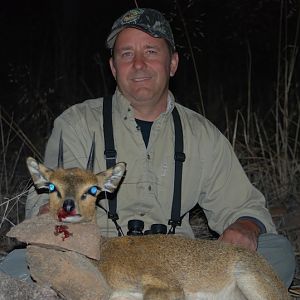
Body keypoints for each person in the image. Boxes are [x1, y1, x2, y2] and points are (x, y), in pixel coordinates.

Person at [1, 7, 295, 288]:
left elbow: (245, 208)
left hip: (178, 264)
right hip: (97, 261)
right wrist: (50, 215)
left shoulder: (202, 134)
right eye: (127, 54)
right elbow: (47, 198)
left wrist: (245, 226)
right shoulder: (77, 123)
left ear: (173, 63)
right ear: (114, 68)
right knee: (15, 267)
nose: (139, 64)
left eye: (151, 52)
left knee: (276, 252)